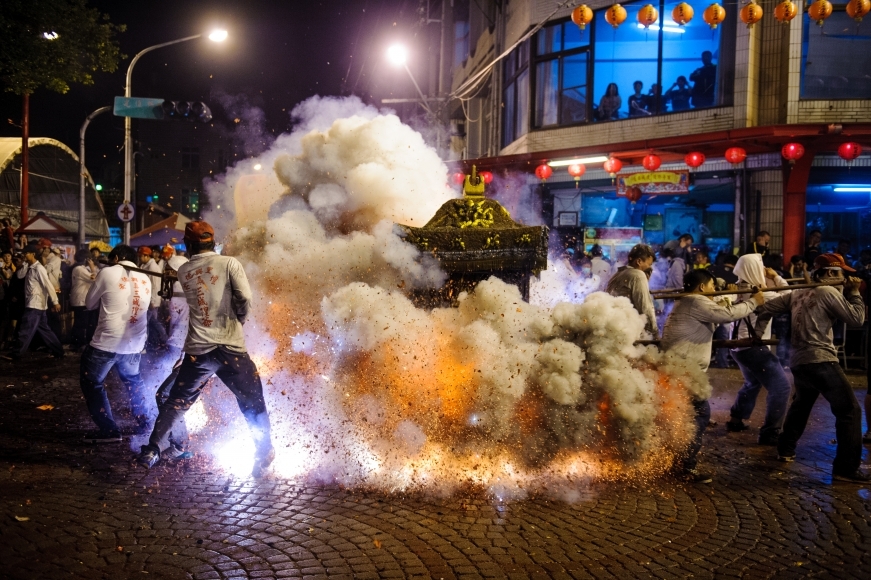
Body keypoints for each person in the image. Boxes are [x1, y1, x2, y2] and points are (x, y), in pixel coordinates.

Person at [137, 221, 275, 478]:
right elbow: (244, 297)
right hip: (230, 347)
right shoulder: (230, 263)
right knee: (252, 400)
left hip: (198, 350)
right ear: (213, 241)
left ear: (188, 246)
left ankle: (153, 448)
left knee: (177, 401)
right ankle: (263, 451)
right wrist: (239, 320)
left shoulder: (184, 270)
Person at [754, 253, 869, 482]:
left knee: (802, 405)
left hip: (799, 361)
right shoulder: (827, 291)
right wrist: (855, 293)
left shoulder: (797, 293)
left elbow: (765, 308)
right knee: (849, 411)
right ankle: (846, 468)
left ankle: (785, 449)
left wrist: (757, 327)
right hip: (820, 359)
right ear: (828, 273)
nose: (845, 278)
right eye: (841, 273)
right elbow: (856, 319)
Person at [661, 269, 764, 483]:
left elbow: (716, 318)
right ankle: (684, 466)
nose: (714, 290)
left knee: (685, 418)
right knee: (699, 415)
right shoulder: (696, 301)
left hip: (679, 370)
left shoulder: (687, 303)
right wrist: (754, 301)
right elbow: (726, 316)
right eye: (711, 286)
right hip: (685, 371)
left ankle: (675, 461)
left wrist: (730, 299)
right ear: (701, 288)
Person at [79, 245, 152, 442]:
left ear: (116, 257)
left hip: (106, 342)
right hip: (135, 343)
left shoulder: (107, 271)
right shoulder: (145, 277)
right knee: (133, 381)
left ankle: (109, 430)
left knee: (91, 381)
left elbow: (89, 304)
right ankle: (146, 422)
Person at [725, 254, 792, 445]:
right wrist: (776, 276)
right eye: (761, 266)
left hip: (737, 348)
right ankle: (770, 433)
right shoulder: (765, 296)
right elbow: (789, 296)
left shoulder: (734, 288)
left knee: (753, 382)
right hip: (753, 348)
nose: (764, 270)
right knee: (781, 387)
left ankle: (736, 419)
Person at [11, 243, 63, 360]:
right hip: (36, 304)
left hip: (34, 304)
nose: (24, 255)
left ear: (33, 254)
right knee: (45, 331)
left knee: (25, 329)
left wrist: (55, 301)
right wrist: (25, 263)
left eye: (26, 254)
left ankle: (16, 353)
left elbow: (48, 285)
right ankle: (58, 351)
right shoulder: (29, 267)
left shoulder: (39, 269)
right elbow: (19, 275)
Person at [607, 244, 658, 337]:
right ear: (639, 261)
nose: (650, 268)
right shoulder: (637, 275)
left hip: (612, 329)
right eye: (649, 264)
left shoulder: (619, 273)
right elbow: (645, 308)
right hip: (627, 332)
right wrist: (654, 334)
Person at [70, 249, 98, 351]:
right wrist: (92, 268)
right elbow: (94, 278)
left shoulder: (80, 268)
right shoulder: (79, 269)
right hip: (80, 299)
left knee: (79, 322)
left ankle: (76, 343)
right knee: (81, 323)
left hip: (80, 299)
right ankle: (78, 343)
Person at [138, 246, 167, 348]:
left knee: (151, 323)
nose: (139, 258)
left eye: (140, 256)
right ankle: (156, 342)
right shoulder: (144, 265)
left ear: (146, 256)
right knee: (151, 323)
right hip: (146, 300)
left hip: (151, 301)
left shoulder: (153, 267)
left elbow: (155, 286)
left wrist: (153, 301)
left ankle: (161, 340)